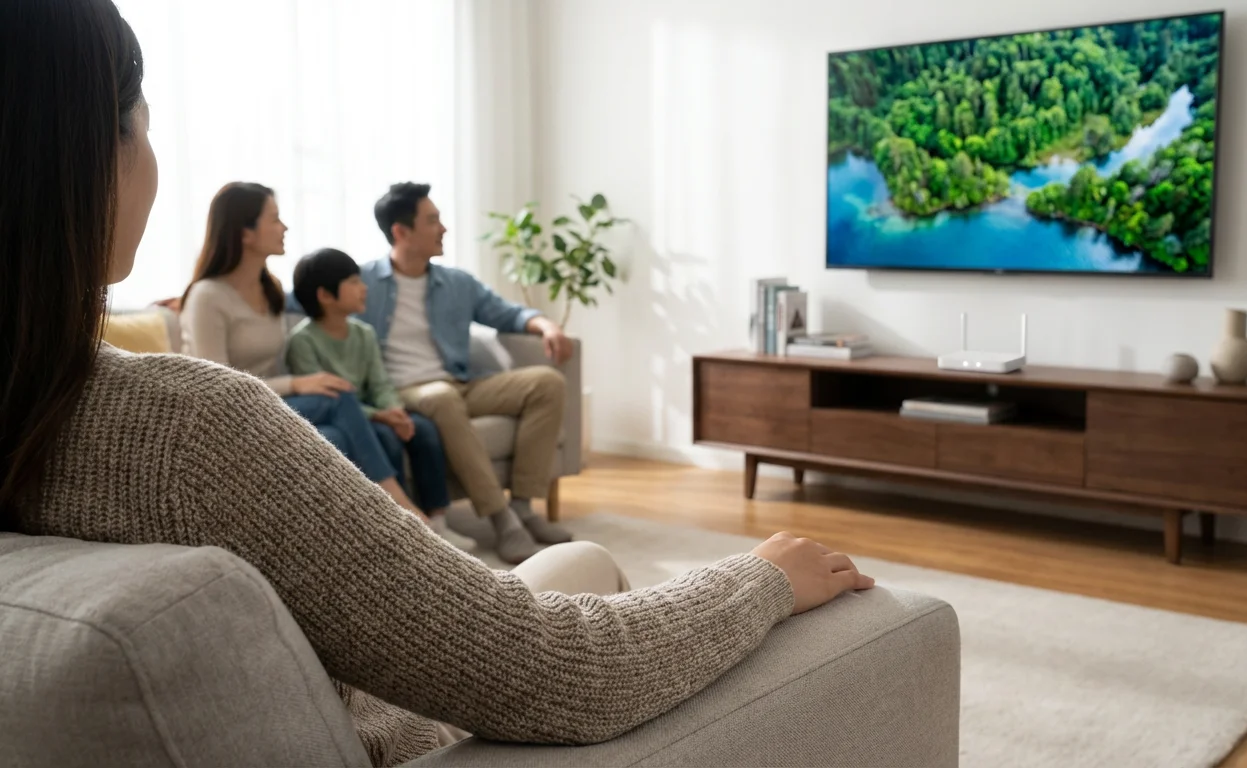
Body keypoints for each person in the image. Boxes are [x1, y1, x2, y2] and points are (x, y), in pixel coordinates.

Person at [0, 1, 875, 766]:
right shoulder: (187, 433)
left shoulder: (65, 422)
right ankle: (495, 522)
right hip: (406, 727)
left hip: (367, 630)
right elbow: (555, 671)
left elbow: (496, 311)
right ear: (88, 153)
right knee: (587, 564)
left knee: (533, 447)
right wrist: (760, 578)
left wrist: (535, 327)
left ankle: (510, 513)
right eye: (146, 126)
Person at [179, 182, 432, 521]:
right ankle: (401, 507)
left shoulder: (271, 291)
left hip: (273, 406)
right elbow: (216, 386)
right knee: (337, 395)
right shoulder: (207, 297)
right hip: (233, 414)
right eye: (275, 219)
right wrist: (296, 384)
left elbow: (321, 292)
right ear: (245, 233)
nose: (284, 228)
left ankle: (363, 527)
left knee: (333, 435)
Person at [359, 182, 571, 564]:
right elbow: (304, 299)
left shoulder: (456, 283)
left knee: (546, 382)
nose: (443, 228)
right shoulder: (361, 283)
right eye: (433, 220)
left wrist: (546, 326)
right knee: (440, 396)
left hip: (459, 383)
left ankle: (523, 505)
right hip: (404, 390)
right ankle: (502, 520)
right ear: (401, 232)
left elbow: (507, 313)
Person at [287, 247, 474, 550]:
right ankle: (395, 522)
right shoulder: (302, 341)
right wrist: (379, 415)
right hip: (356, 418)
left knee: (422, 429)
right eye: (353, 282)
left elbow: (381, 382)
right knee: (387, 436)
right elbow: (327, 397)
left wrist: (394, 409)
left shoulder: (364, 333)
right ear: (325, 295)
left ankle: (438, 518)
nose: (365, 288)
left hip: (375, 411)